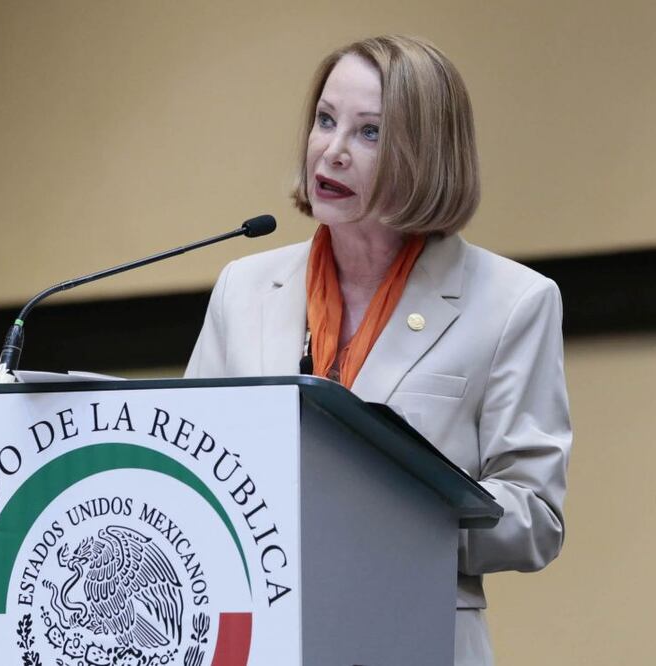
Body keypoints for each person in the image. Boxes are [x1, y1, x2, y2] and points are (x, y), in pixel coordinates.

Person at [186, 35, 571, 665]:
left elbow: (536, 519)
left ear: (425, 156)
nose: (332, 151)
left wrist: (395, 514)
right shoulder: (244, 288)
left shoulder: (513, 303)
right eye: (325, 120)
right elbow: (195, 467)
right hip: (263, 639)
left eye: (369, 133)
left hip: (412, 639)